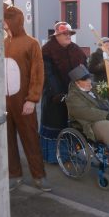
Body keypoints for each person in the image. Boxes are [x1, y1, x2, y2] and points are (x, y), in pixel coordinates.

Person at [3, 2, 51, 192]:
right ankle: (14, 175)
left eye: (6, 21)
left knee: (30, 139)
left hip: (24, 102)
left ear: (15, 21)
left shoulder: (31, 43)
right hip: (5, 103)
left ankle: (39, 176)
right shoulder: (3, 43)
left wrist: (32, 99)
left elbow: (38, 73)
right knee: (7, 141)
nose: (4, 24)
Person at [39, 22, 87, 163]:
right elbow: (48, 75)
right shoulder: (47, 50)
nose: (68, 36)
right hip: (54, 98)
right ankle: (53, 157)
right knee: (56, 125)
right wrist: (59, 95)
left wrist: (85, 84)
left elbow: (84, 68)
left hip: (74, 96)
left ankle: (70, 154)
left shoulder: (76, 49)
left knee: (72, 125)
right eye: (65, 34)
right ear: (57, 36)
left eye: (69, 34)